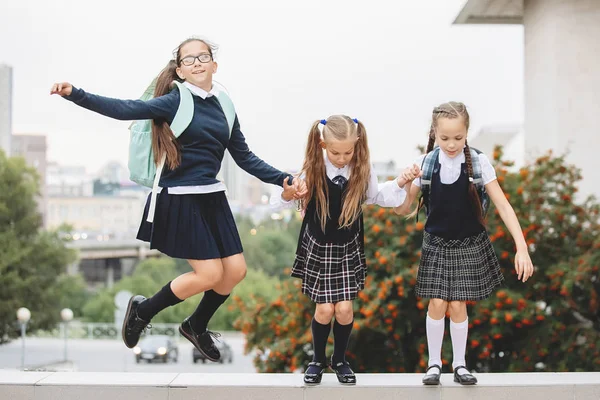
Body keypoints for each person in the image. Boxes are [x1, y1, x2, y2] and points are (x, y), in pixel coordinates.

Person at [50, 37, 306, 362]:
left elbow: (244, 157)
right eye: (189, 59)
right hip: (180, 197)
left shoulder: (225, 105)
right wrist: (76, 94)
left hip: (212, 197)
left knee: (236, 271)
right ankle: (143, 310)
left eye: (204, 56)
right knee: (210, 275)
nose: (197, 62)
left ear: (215, 64)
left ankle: (195, 325)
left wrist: (283, 179)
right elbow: (126, 109)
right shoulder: (175, 100)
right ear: (181, 71)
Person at [394, 102, 534, 385]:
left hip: (469, 242)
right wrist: (404, 185)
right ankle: (434, 364)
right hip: (436, 242)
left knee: (457, 304)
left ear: (466, 133)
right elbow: (402, 209)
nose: (451, 144)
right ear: (435, 133)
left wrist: (522, 247)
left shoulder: (479, 163)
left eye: (458, 138)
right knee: (437, 302)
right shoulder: (427, 163)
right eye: (445, 138)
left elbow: (504, 207)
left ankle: (459, 365)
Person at [272, 115, 418, 385]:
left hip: (347, 247)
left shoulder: (362, 169)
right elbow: (278, 201)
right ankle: (317, 360)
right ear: (323, 144)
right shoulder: (312, 169)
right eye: (336, 152)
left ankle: (339, 360)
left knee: (345, 311)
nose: (342, 158)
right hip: (319, 246)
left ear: (357, 144)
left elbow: (377, 196)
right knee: (325, 310)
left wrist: (400, 182)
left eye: (348, 152)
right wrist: (288, 194)